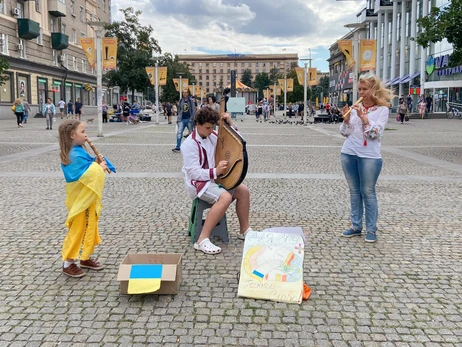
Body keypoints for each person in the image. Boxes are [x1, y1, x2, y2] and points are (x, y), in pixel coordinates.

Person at [181, 107, 252, 254]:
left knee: (243, 191)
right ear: (197, 124)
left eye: (213, 127)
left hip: (215, 179)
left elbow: (237, 142)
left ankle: (245, 231)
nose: (210, 130)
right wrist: (216, 171)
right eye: (207, 127)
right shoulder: (188, 144)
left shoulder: (213, 134)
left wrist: (229, 125)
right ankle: (202, 239)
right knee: (225, 197)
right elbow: (194, 173)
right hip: (199, 183)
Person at [339, 73, 394, 243]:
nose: (361, 93)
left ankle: (371, 229)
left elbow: (374, 134)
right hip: (349, 153)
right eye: (359, 89)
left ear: (374, 90)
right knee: (354, 191)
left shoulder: (382, 110)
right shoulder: (356, 108)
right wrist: (347, 121)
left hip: (369, 156)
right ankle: (356, 226)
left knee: (368, 192)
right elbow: (344, 133)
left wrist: (364, 118)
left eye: (365, 89)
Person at [58, 120, 115, 278]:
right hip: (79, 199)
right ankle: (68, 263)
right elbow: (81, 176)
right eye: (82, 132)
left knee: (89, 226)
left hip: (86, 198)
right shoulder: (73, 155)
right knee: (78, 229)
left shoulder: (79, 151)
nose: (86, 135)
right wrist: (98, 168)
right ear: (72, 135)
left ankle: (85, 257)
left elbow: (87, 168)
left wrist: (95, 163)